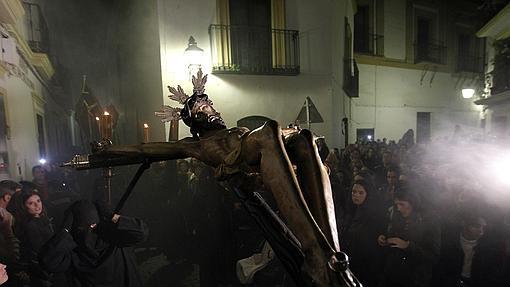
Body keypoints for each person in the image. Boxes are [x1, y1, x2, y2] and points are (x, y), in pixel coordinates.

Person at [65, 69, 358, 287]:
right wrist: (109, 150)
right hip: (245, 160)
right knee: (270, 132)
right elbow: (147, 149)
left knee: (304, 138)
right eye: (205, 109)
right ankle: (316, 254)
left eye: (211, 106)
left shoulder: (232, 130)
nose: (213, 110)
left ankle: (329, 253)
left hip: (259, 159)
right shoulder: (198, 144)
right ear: (196, 119)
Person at [39, 200, 148, 287]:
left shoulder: (113, 239)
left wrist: (112, 216)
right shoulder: (75, 251)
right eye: (83, 228)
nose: (90, 232)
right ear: (76, 229)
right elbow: (48, 262)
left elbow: (141, 232)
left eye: (94, 226)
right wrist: (65, 229)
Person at [377, 188, 440, 287]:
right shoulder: (396, 216)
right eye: (397, 204)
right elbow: (389, 235)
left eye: (402, 204)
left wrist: (408, 246)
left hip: (414, 278)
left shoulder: (429, 222)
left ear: (413, 203)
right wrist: (384, 238)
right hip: (392, 274)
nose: (399, 208)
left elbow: (433, 256)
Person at [338, 179, 384, 286]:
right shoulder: (350, 210)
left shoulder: (374, 216)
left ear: (368, 194)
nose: (356, 195)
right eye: (353, 192)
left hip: (364, 264)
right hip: (349, 259)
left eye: (361, 193)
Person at [14, 188, 54, 287]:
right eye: (31, 203)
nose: (37, 205)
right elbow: (39, 249)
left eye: (38, 201)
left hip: (48, 263)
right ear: (23, 206)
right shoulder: (30, 225)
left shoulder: (42, 217)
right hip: (43, 267)